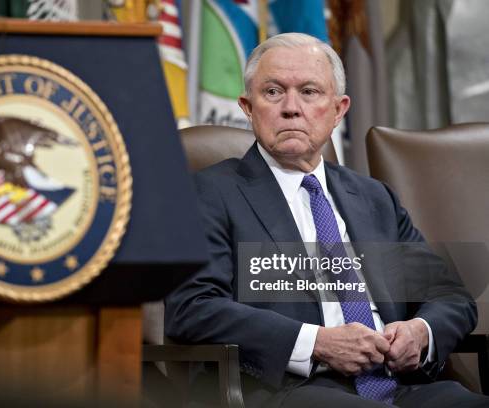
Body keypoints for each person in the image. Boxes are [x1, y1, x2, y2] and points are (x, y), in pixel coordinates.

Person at [164, 33, 487, 407]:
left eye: (309, 91)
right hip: (291, 391)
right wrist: (314, 342)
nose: (291, 107)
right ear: (247, 107)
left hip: (401, 387)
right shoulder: (210, 192)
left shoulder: (374, 198)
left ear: (338, 110)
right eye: (272, 92)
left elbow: (449, 296)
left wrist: (421, 331)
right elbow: (193, 307)